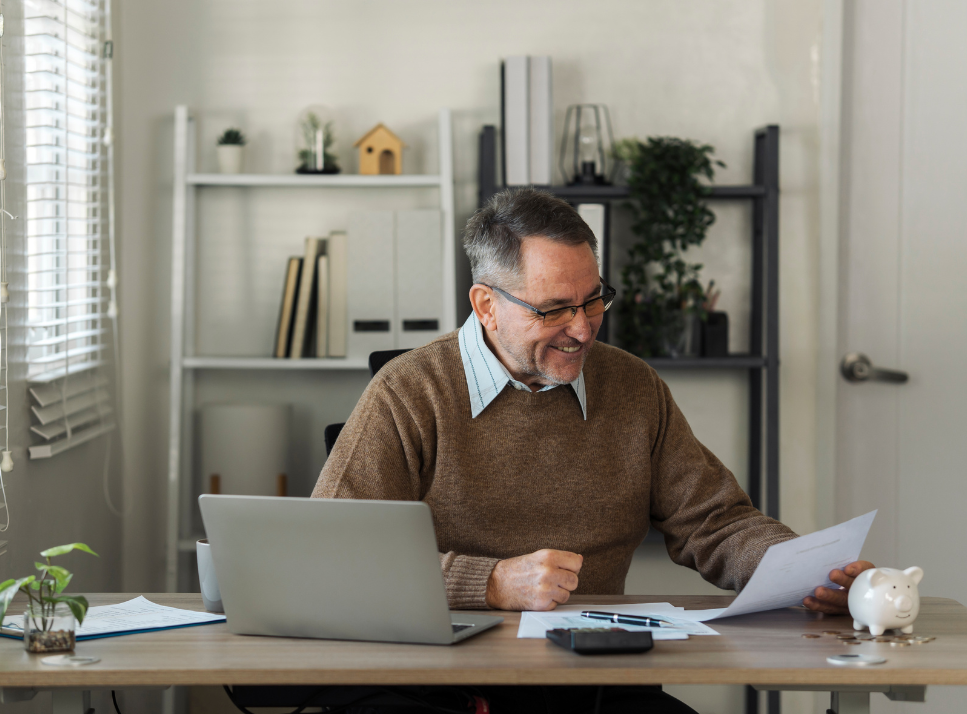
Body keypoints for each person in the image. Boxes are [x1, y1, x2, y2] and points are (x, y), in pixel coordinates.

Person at [313, 188, 872, 713]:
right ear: (486, 305)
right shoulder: (408, 389)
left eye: (594, 299)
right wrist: (489, 583)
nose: (582, 330)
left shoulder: (632, 386)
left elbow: (717, 522)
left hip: (596, 683)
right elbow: (330, 557)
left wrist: (807, 572)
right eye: (553, 309)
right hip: (438, 685)